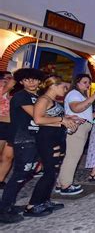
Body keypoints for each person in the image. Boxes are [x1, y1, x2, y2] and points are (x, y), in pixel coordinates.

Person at [29, 75, 79, 217]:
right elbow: (38, 119)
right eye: (63, 87)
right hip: (47, 139)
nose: (65, 90)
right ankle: (32, 204)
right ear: (53, 86)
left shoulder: (53, 101)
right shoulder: (43, 100)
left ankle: (45, 200)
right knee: (49, 172)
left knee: (54, 171)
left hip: (56, 136)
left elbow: (52, 118)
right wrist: (62, 119)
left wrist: (69, 120)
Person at [0, 69, 44, 223]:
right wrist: (60, 119)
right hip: (23, 139)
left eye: (34, 80)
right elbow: (38, 115)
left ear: (39, 81)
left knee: (29, 171)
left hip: (34, 138)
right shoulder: (21, 96)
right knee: (20, 173)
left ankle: (9, 204)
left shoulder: (37, 97)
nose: (31, 82)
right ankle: (3, 209)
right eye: (27, 80)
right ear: (21, 82)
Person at [56, 74, 95, 195]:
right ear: (77, 83)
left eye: (88, 83)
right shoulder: (74, 94)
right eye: (84, 82)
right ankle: (66, 185)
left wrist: (92, 116)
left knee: (72, 155)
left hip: (82, 126)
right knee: (73, 156)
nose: (87, 85)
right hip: (77, 127)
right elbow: (76, 108)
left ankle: (61, 183)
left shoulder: (81, 95)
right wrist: (93, 98)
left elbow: (82, 111)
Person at [0, 72, 15, 188]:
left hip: (11, 128)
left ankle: (0, 180)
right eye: (7, 78)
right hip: (1, 126)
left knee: (8, 156)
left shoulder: (12, 96)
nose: (10, 81)